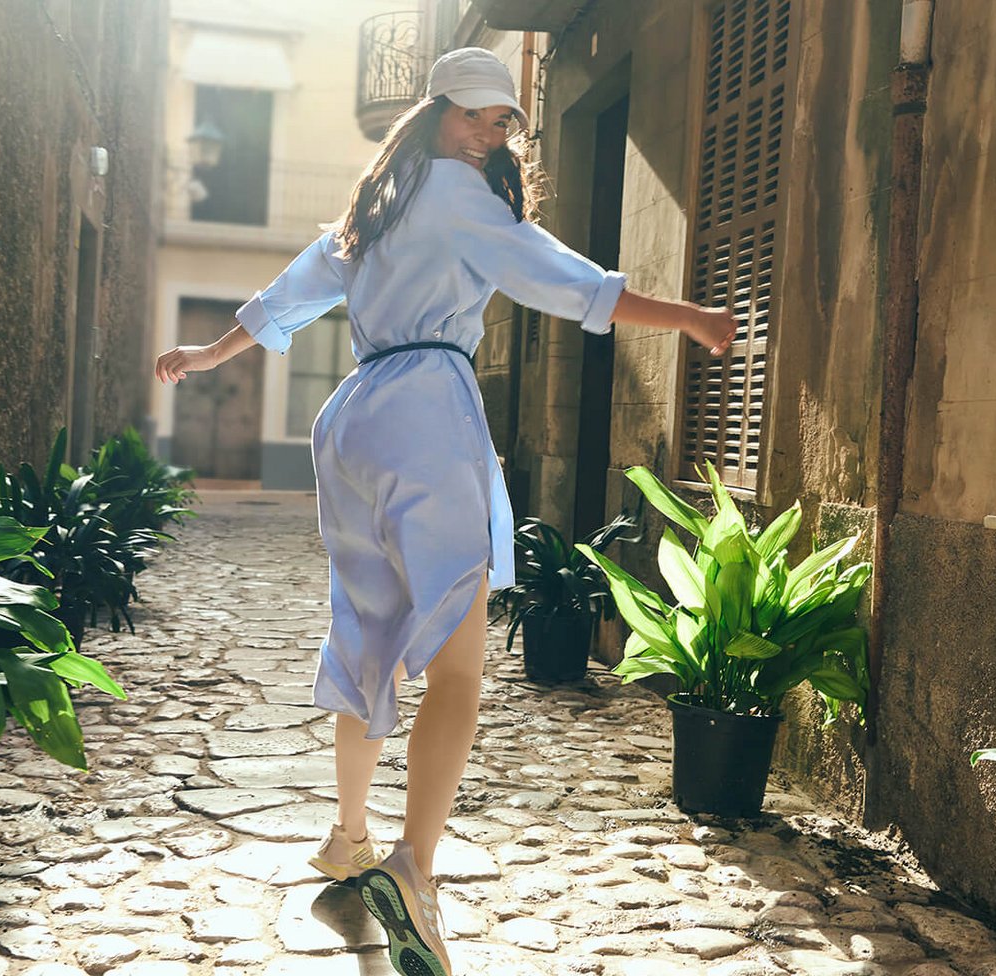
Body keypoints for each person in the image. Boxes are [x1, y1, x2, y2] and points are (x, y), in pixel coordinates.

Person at [154, 47, 738, 976]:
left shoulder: (374, 207)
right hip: (427, 408)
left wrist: (204, 355)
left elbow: (288, 297)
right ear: (434, 112)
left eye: (502, 121)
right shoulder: (461, 197)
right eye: (475, 115)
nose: (489, 133)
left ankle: (350, 836)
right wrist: (691, 317)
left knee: (368, 633)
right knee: (459, 667)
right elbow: (567, 280)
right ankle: (413, 872)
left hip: (352, 421)